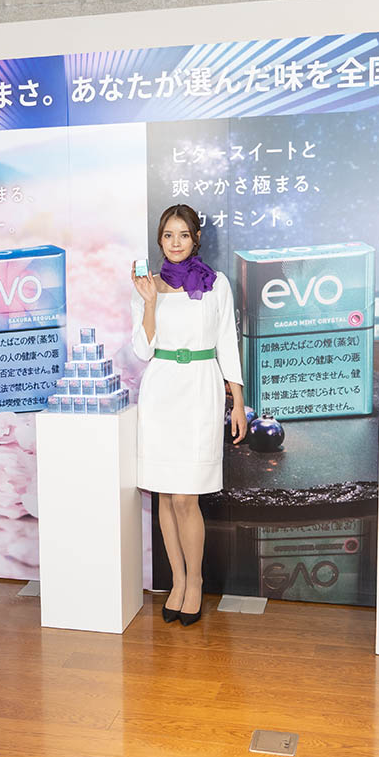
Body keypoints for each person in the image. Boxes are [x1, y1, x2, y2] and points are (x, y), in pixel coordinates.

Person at [131, 204, 248, 626]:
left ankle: (195, 581)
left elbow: (227, 341)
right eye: (168, 235)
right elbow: (141, 349)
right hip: (161, 388)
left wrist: (237, 400)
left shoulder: (216, 284)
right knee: (165, 495)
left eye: (183, 234)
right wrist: (148, 303)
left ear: (196, 238)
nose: (175, 242)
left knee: (186, 497)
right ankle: (177, 581)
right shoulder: (148, 285)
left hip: (201, 387)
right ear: (159, 240)